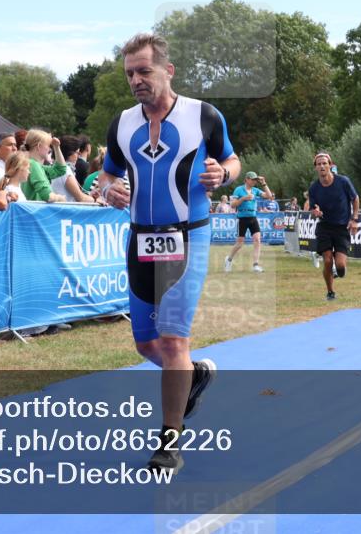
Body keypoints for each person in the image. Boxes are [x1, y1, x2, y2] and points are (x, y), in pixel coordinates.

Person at [95, 33, 239, 474]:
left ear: (167, 70)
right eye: (129, 74)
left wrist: (223, 174)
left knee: (175, 340)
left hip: (188, 236)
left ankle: (169, 442)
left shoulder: (204, 116)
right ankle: (192, 375)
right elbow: (106, 174)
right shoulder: (121, 123)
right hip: (140, 238)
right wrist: (108, 189)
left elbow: (232, 161)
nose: (136, 80)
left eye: (143, 71)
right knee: (146, 344)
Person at [307, 152, 359, 301]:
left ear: (330, 165)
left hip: (342, 227)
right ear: (315, 168)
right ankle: (330, 292)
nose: (322, 166)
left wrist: (354, 219)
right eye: (319, 164)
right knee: (328, 260)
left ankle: (341, 270)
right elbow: (312, 209)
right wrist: (315, 212)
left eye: (325, 163)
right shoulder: (314, 188)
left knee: (340, 266)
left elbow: (355, 199)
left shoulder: (343, 181)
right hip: (324, 226)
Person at [223, 171, 273, 273]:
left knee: (257, 240)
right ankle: (229, 259)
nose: (254, 181)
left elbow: (269, 196)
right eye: (252, 179)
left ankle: (255, 265)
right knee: (240, 243)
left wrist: (264, 183)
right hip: (242, 218)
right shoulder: (238, 189)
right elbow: (232, 205)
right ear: (246, 179)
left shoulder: (255, 190)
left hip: (253, 217)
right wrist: (243, 198)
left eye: (255, 180)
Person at [21, 129, 67, 203]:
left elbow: (60, 169)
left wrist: (56, 147)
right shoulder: (33, 165)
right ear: (39, 146)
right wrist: (61, 198)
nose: (49, 149)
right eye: (49, 146)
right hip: (34, 212)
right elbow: (47, 195)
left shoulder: (33, 164)